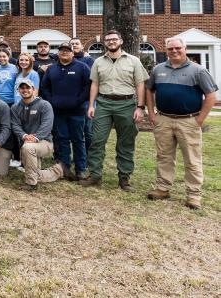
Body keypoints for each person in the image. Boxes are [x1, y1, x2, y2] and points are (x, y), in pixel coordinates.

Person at [146, 37, 218, 209]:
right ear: (166, 50)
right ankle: (163, 188)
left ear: (185, 48)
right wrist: (151, 113)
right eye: (170, 49)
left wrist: (200, 119)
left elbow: (211, 96)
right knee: (164, 156)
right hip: (164, 119)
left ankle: (193, 195)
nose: (174, 51)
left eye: (178, 48)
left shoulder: (198, 70)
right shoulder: (158, 69)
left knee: (192, 159)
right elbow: (149, 89)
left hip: (189, 121)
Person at [80, 30, 149, 191]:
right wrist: (91, 105)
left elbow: (140, 84)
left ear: (121, 41)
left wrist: (140, 107)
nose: (111, 42)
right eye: (108, 40)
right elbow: (95, 85)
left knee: (126, 142)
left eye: (114, 39)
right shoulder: (98, 62)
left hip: (126, 104)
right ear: (105, 43)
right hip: (103, 104)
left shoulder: (133, 61)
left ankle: (124, 178)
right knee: (97, 140)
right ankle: (95, 175)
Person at [40, 43, 91, 181]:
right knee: (62, 139)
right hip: (58, 111)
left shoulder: (82, 67)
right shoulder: (52, 69)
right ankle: (65, 168)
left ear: (72, 53)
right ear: (58, 53)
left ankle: (81, 169)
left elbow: (88, 86)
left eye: (67, 51)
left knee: (78, 139)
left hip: (77, 111)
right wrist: (51, 100)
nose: (64, 53)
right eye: (62, 51)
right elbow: (44, 88)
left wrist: (79, 100)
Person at [10, 80, 63, 190]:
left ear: (33, 89)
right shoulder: (15, 107)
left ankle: (31, 184)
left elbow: (47, 125)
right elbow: (15, 126)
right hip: (26, 142)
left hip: (44, 142)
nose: (25, 90)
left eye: (27, 88)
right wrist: (24, 136)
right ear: (18, 90)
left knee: (28, 148)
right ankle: (59, 170)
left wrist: (35, 137)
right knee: (35, 172)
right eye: (22, 88)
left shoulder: (44, 105)